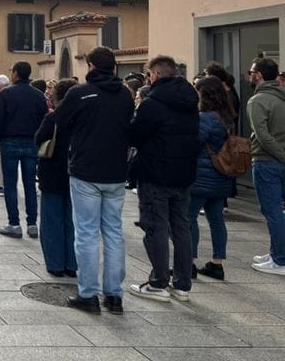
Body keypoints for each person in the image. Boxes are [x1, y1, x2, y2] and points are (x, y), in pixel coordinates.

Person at [53, 46, 136, 315]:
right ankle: (114, 295)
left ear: (90, 66)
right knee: (113, 232)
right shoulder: (125, 94)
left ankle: (88, 293)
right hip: (115, 172)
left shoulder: (79, 92)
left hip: (86, 170)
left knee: (87, 233)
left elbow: (60, 120)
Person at [127, 55, 200, 304]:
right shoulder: (191, 103)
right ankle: (183, 284)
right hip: (183, 174)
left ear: (154, 75)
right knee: (181, 227)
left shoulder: (152, 104)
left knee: (155, 226)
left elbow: (135, 136)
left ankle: (158, 281)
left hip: (155, 173)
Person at [0, 61, 48, 239]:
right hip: (31, 142)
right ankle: (32, 224)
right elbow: (43, 120)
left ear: (15, 74)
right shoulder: (38, 95)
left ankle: (14, 224)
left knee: (10, 184)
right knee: (30, 184)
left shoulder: (6, 93)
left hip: (9, 141)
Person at [190, 75, 235, 280]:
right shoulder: (227, 117)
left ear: (204, 94)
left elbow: (195, 142)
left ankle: (188, 261)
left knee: (188, 217)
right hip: (221, 176)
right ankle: (217, 263)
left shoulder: (205, 118)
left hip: (201, 176)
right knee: (216, 219)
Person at [35, 78, 78, 277]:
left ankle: (55, 263)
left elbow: (39, 140)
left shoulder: (53, 118)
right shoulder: (84, 117)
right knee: (73, 220)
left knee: (52, 219)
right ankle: (72, 263)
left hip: (52, 173)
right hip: (77, 173)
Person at [247, 57, 285, 275]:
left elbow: (262, 136)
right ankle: (276, 252)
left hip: (267, 161)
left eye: (251, 72)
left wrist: (281, 155)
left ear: (259, 75)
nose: (249, 75)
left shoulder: (258, 101)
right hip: (279, 161)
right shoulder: (281, 97)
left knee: (272, 212)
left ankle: (279, 259)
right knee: (278, 212)